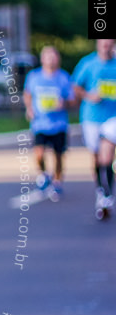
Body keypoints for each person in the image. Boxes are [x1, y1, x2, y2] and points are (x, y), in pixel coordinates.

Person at [72, 39, 116, 217]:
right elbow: (75, 87)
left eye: (109, 42)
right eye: (103, 42)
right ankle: (101, 189)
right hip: (91, 117)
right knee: (97, 156)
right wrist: (89, 96)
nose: (106, 45)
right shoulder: (88, 63)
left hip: (112, 117)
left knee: (107, 153)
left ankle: (107, 193)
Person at [22, 46, 72, 201]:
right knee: (39, 153)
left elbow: (72, 100)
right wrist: (29, 109)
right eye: (47, 56)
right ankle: (44, 174)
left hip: (59, 124)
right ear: (42, 59)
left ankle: (57, 182)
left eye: (53, 56)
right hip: (40, 123)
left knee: (58, 155)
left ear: (57, 59)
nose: (50, 59)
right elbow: (27, 94)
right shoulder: (34, 77)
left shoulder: (63, 77)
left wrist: (63, 104)